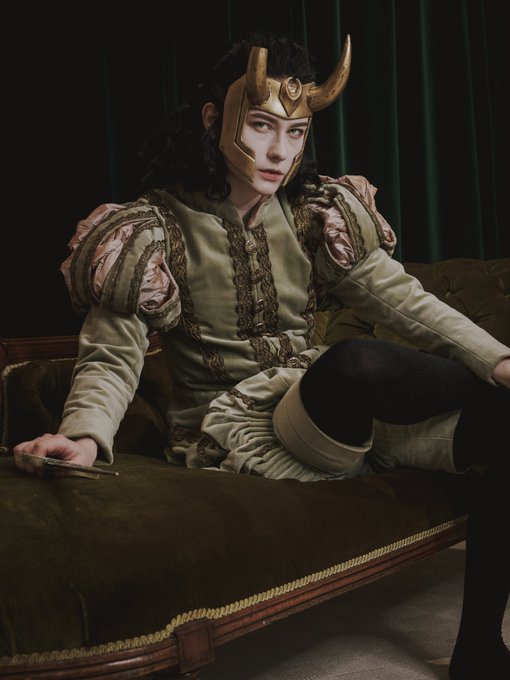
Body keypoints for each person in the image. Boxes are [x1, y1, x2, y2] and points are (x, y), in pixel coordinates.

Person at [13, 30, 509, 679]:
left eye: (295, 132)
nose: (280, 151)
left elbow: (405, 300)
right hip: (243, 433)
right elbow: (112, 353)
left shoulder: (313, 215)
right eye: (261, 126)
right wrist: (83, 435)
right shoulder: (154, 228)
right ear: (213, 119)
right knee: (353, 362)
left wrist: (498, 359)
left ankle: (479, 652)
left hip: (336, 421)